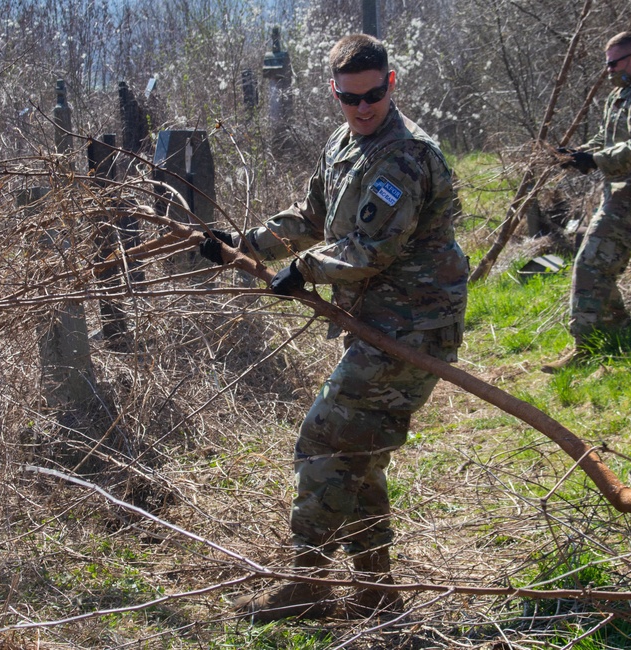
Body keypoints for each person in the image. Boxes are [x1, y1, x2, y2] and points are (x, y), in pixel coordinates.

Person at [199, 33, 468, 621]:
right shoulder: (344, 144)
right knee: (359, 451)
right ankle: (376, 589)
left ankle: (308, 584)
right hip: (375, 321)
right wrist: (245, 245)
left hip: (414, 326)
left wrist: (304, 268)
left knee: (324, 439)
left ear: (390, 83)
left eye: (373, 95)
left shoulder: (406, 155)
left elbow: (374, 247)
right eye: (351, 98)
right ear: (335, 93)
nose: (363, 107)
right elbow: (312, 216)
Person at [543, 31, 631, 373]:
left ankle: (585, 347)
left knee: (588, 265)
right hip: (616, 193)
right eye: (607, 65)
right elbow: (606, 139)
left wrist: (596, 161)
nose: (608, 71)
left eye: (613, 64)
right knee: (600, 267)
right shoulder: (618, 97)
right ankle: (623, 335)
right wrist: (578, 154)